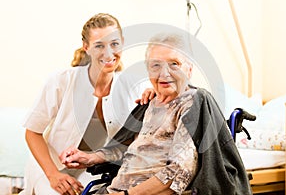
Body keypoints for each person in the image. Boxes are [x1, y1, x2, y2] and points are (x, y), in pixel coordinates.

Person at [60, 33, 252, 195]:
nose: (164, 73)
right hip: (116, 188)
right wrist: (90, 157)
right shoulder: (148, 103)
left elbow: (178, 173)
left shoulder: (192, 103)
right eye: (155, 66)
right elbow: (127, 147)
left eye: (174, 64)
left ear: (190, 70)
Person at [21, 13, 153, 195]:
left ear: (122, 42)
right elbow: (32, 132)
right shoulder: (61, 81)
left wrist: (154, 94)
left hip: (92, 169)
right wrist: (53, 175)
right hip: (50, 167)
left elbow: (170, 95)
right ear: (86, 47)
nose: (108, 53)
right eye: (99, 45)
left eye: (114, 44)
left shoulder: (135, 86)